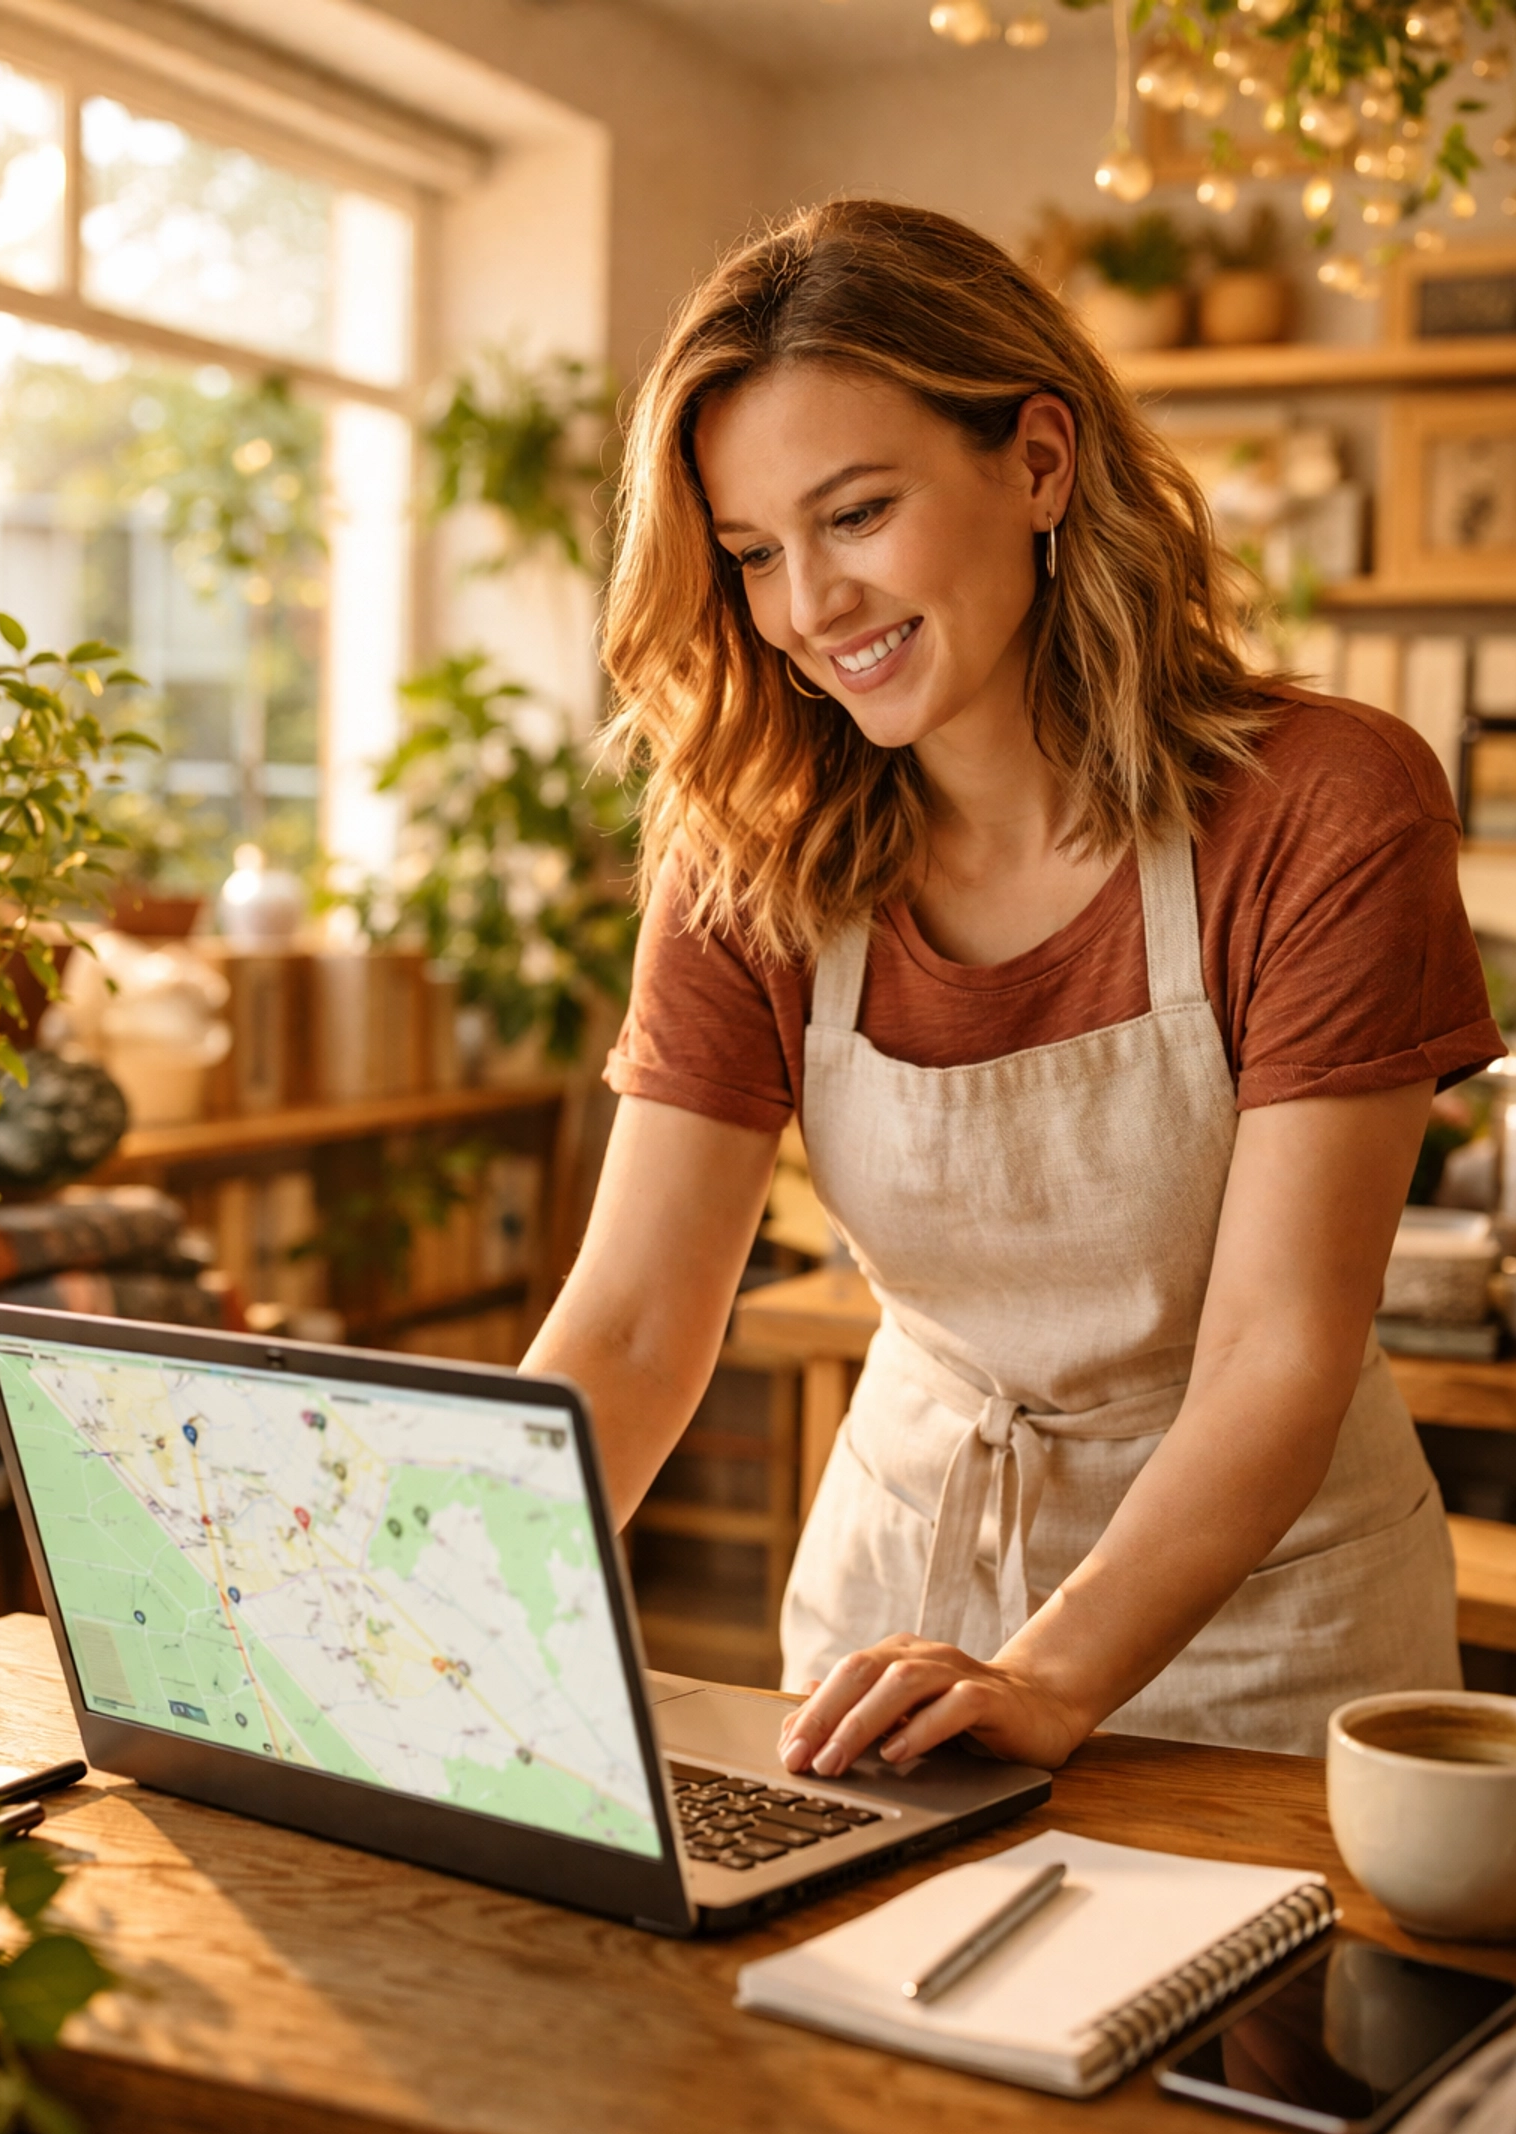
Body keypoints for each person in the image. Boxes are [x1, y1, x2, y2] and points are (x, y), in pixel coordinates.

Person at [524, 198, 1504, 1777]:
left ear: (1039, 462)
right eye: (756, 555)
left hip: (1268, 1642)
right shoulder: (744, 850)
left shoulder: (1324, 804)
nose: (810, 610)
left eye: (856, 515)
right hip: (888, 1619)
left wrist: (1048, 1679)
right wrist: (455, 1634)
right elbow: (635, 1326)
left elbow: (1278, 1352)